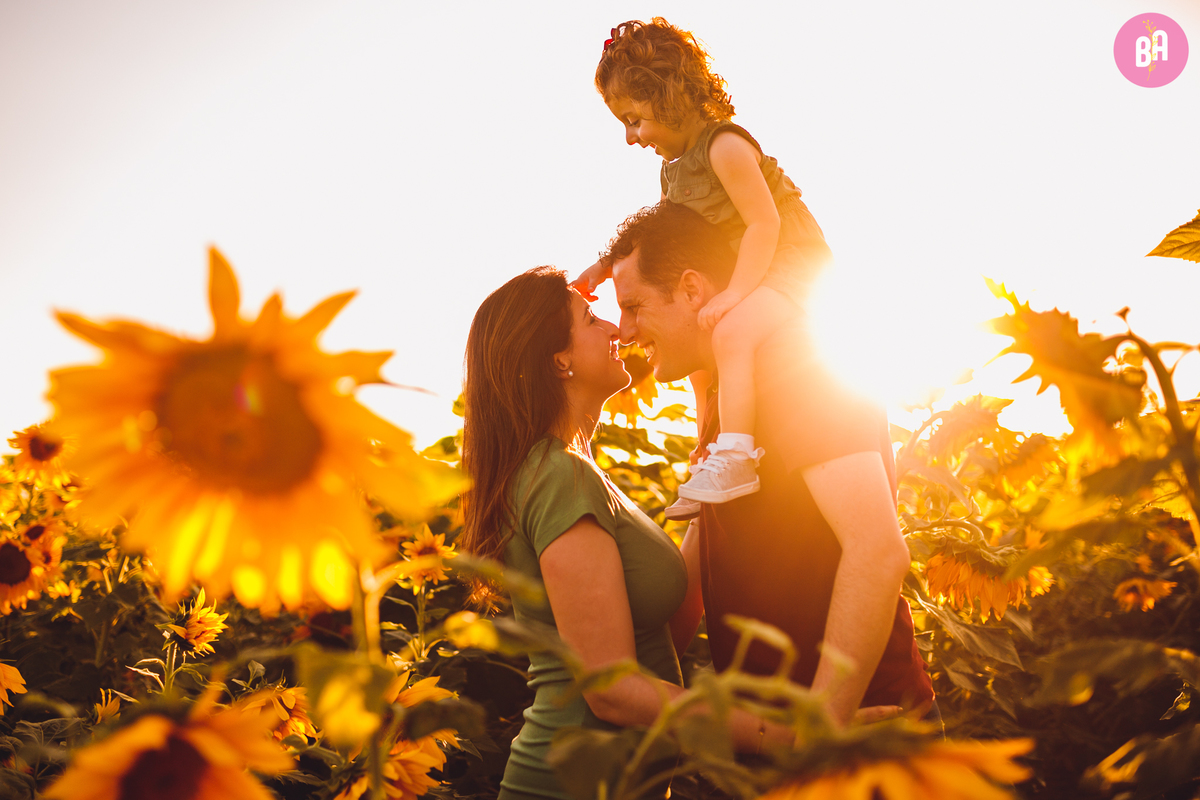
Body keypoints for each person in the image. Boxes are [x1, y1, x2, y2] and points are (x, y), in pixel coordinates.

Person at [459, 267, 806, 800]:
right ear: (560, 360)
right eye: (591, 318)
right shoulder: (559, 476)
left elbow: (662, 620)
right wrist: (783, 735)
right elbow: (613, 692)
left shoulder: (572, 469)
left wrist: (709, 483)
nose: (617, 330)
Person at [604, 202, 935, 727]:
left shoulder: (792, 365)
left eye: (634, 306)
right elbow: (710, 545)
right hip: (775, 729)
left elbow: (877, 552)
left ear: (692, 290)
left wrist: (821, 720)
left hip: (855, 729)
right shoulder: (730, 393)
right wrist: (621, 685)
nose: (623, 330)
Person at [574, 18, 834, 516]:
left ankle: (738, 458)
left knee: (731, 334)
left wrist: (736, 294)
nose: (631, 138)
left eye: (634, 119)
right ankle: (709, 445)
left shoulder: (725, 147)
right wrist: (604, 265)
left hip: (795, 264)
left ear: (668, 95)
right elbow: (664, 236)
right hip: (753, 272)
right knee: (698, 348)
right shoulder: (673, 171)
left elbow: (764, 225)